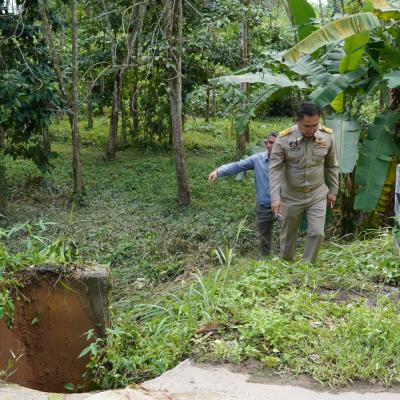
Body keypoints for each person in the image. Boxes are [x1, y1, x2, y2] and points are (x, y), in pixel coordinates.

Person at [269, 102, 339, 263]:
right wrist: (275, 197)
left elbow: (332, 165)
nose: (312, 129)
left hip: (317, 193)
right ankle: (286, 263)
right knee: (288, 235)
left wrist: (334, 191)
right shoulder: (284, 139)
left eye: (316, 125)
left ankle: (307, 265)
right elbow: (275, 170)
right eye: (308, 126)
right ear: (298, 121)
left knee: (317, 233)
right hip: (291, 195)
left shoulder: (327, 136)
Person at [208, 133, 278, 256]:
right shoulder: (257, 159)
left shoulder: (288, 160)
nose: (273, 146)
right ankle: (266, 261)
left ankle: (287, 261)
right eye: (271, 142)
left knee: (288, 235)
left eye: (277, 143)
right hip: (263, 206)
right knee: (264, 239)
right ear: (265, 143)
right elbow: (237, 166)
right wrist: (218, 171)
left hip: (283, 205)